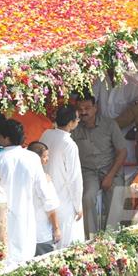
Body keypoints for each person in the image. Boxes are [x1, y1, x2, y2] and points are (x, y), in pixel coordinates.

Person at [0, 119, 54, 266]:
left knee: (5, 263)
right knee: (25, 263)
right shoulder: (32, 158)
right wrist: (52, 219)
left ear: (7, 138)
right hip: (26, 217)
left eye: (0, 136)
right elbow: (43, 192)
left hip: (2, 218)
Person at [72, 93, 127, 235]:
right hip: (88, 171)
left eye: (87, 108)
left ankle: (111, 237)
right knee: (87, 197)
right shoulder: (74, 127)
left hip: (111, 168)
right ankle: (91, 239)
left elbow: (122, 152)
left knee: (116, 196)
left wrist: (110, 175)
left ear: (96, 107)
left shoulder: (109, 125)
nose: (83, 112)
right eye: (80, 108)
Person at [40, 106, 85, 248]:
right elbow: (75, 179)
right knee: (67, 246)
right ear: (71, 123)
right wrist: (78, 206)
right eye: (77, 119)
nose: (78, 121)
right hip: (64, 201)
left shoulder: (46, 134)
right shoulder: (69, 144)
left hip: (45, 198)